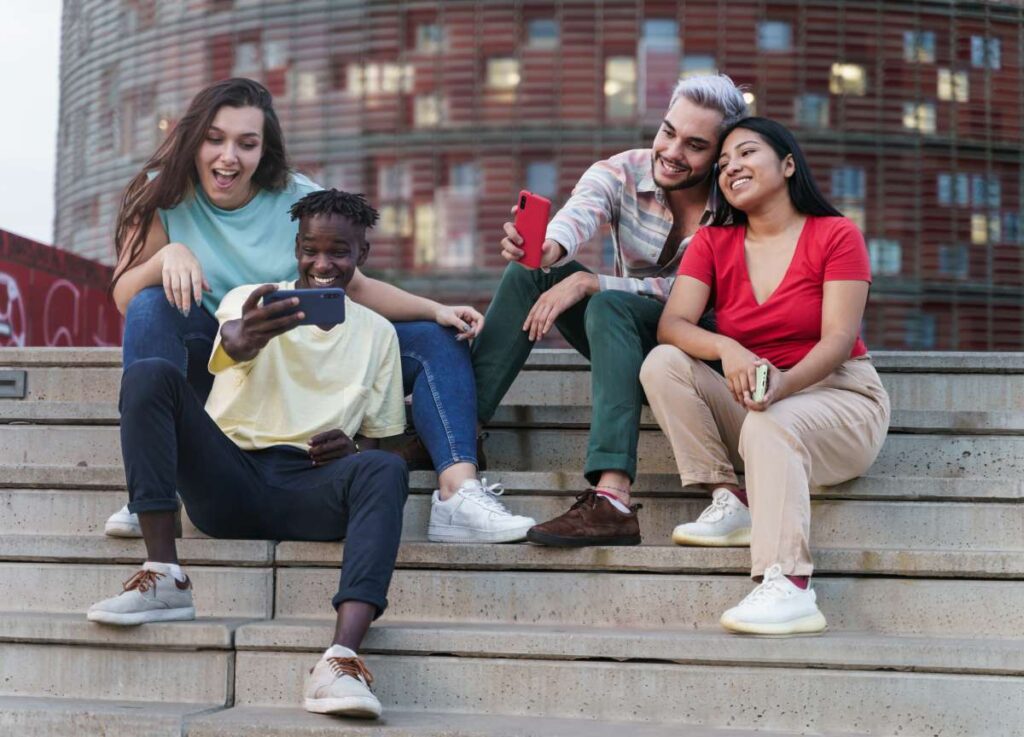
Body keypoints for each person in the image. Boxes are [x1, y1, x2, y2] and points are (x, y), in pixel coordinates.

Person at [104, 77, 534, 544]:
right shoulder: (162, 193)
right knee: (150, 303)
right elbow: (126, 296)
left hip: (300, 357)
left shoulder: (296, 196)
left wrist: (435, 308)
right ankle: (151, 483)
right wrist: (167, 257)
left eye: (246, 144)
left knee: (435, 338)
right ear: (193, 139)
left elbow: (358, 287)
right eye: (215, 139)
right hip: (218, 359)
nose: (229, 156)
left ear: (263, 151)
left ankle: (458, 494)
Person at [89, 190, 419, 718]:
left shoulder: (379, 335)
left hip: (313, 484)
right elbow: (229, 349)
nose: (323, 263)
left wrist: (353, 448)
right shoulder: (248, 300)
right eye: (311, 249)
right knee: (150, 373)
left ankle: (340, 659)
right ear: (296, 247)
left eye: (340, 251)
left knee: (383, 467)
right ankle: (165, 574)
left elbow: (380, 443)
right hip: (229, 477)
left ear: (363, 255)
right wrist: (245, 337)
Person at [471, 75, 748, 546]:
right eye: (668, 132)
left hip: (696, 358)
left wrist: (594, 281)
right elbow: (580, 212)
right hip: (623, 337)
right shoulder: (623, 170)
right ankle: (459, 428)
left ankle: (613, 498)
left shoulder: (736, 205)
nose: (673, 151)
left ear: (720, 155)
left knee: (609, 302)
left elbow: (696, 295)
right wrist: (546, 250)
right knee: (530, 276)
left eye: (695, 145)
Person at [639, 117, 891, 635]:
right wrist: (728, 349)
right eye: (725, 163)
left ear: (789, 165)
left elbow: (838, 340)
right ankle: (733, 498)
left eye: (747, 153)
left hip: (841, 400)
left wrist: (783, 386)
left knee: (772, 423)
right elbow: (673, 325)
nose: (733, 168)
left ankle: (790, 585)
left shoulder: (836, 234)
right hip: (758, 402)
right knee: (663, 363)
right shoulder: (713, 242)